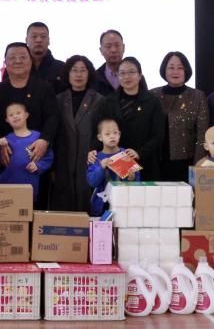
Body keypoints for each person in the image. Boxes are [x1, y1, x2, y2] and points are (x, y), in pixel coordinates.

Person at [0, 43, 61, 187]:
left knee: (37, 198)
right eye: (12, 57)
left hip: (37, 159)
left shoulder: (44, 88)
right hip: (6, 161)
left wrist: (45, 140)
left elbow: (53, 117)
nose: (18, 61)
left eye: (23, 57)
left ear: (31, 61)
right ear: (5, 62)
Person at [52, 55, 108, 212]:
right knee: (63, 201)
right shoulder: (58, 100)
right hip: (63, 158)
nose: (78, 74)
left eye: (83, 70)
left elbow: (102, 130)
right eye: (74, 70)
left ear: (89, 74)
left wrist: (94, 149)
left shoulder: (99, 100)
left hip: (89, 157)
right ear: (67, 74)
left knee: (87, 200)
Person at [101, 57, 167, 182]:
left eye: (131, 72)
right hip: (116, 161)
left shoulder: (152, 101)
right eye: (122, 73)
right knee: (119, 193)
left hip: (145, 161)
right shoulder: (109, 101)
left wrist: (139, 153)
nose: (127, 77)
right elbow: (101, 130)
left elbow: (158, 135)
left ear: (140, 75)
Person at [151, 51, 209, 181]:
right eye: (171, 67)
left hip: (187, 162)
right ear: (164, 70)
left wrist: (198, 165)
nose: (175, 72)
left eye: (180, 68)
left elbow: (202, 134)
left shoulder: (198, 96)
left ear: (186, 70)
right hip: (157, 162)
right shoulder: (153, 95)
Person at [0, 102, 54, 202]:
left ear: (26, 115)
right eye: (11, 115)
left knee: (26, 211)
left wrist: (38, 166)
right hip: (5, 189)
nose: (15, 116)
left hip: (29, 188)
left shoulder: (38, 138)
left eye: (18, 113)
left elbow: (49, 157)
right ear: (7, 120)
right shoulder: (5, 141)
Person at [86, 116, 140, 215]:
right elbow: (92, 182)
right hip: (101, 207)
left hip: (123, 206)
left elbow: (137, 183)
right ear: (100, 137)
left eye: (115, 133)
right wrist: (101, 167)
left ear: (119, 134)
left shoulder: (126, 154)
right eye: (107, 134)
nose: (112, 136)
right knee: (100, 224)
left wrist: (132, 178)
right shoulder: (95, 158)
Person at [26, 21, 68, 93]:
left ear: (49, 41)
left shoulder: (62, 68)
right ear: (26, 40)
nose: (38, 40)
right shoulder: (17, 68)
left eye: (43, 36)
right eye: (34, 36)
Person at [91, 29, 125, 96]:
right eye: (108, 46)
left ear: (123, 47)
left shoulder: (135, 75)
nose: (113, 50)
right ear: (101, 50)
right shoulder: (94, 78)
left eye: (117, 45)